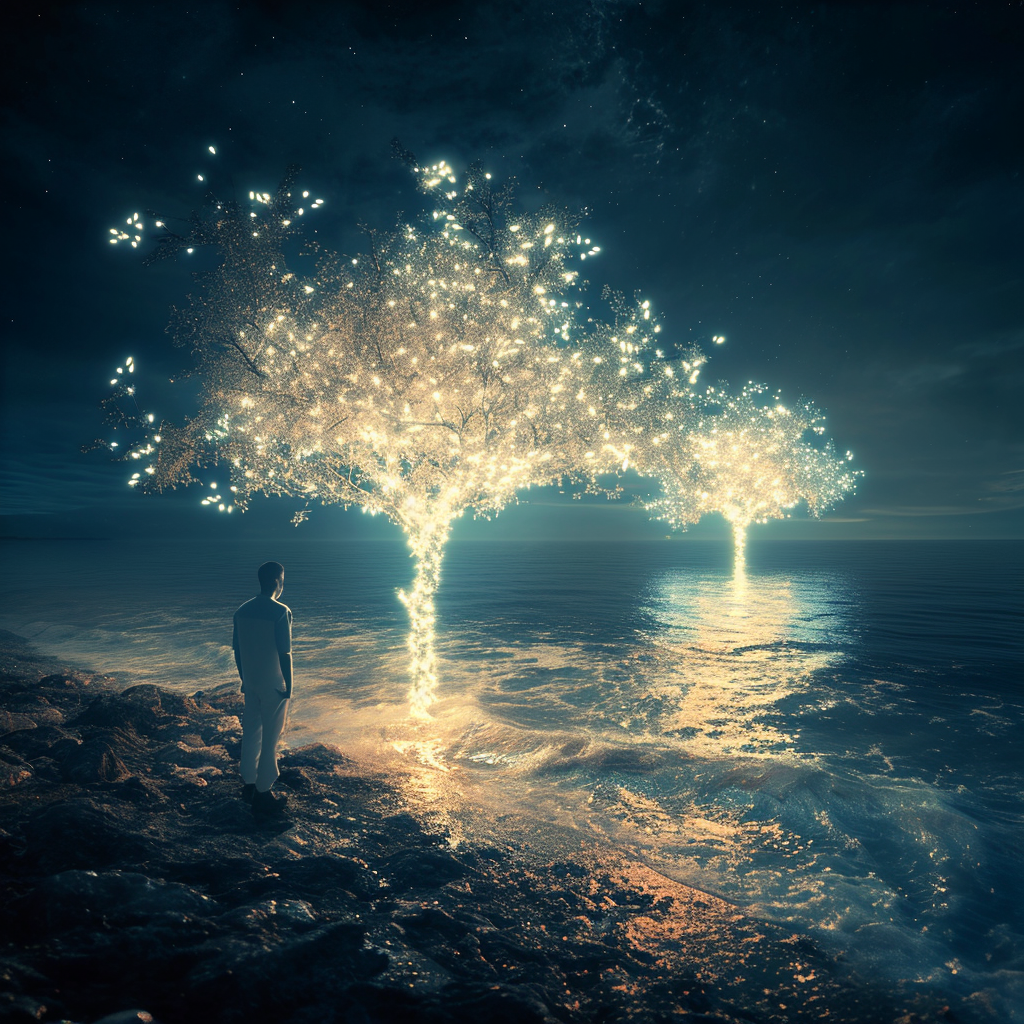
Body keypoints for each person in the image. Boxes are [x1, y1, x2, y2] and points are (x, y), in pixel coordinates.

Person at [233, 560, 292, 815]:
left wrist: (244, 679)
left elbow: (237, 651)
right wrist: (289, 686)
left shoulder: (241, 611)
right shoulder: (281, 611)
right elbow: (285, 653)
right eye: (282, 579)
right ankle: (264, 791)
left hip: (252, 681)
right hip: (273, 684)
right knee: (270, 738)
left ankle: (248, 783)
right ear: (276, 582)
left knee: (252, 732)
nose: (282, 584)